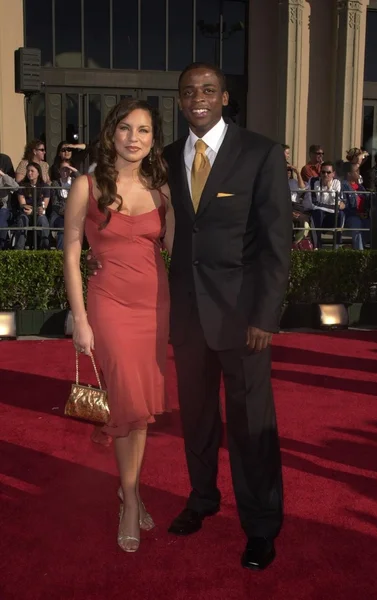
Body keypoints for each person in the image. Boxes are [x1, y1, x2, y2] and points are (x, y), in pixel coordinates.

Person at [88, 63, 291, 569]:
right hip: (187, 317)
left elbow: (275, 244)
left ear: (224, 98)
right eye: (187, 92)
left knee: (251, 426)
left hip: (244, 319)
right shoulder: (168, 158)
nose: (197, 98)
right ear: (180, 101)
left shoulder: (260, 153)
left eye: (207, 90)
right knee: (197, 420)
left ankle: (261, 525)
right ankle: (202, 500)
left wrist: (265, 315)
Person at [63, 98, 175, 554]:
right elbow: (71, 253)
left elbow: (175, 244)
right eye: (126, 129)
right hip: (108, 304)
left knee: (139, 408)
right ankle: (129, 499)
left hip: (154, 306)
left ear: (153, 140)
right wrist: (81, 320)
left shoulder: (162, 188)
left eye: (144, 131)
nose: (134, 138)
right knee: (127, 397)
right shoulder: (87, 186)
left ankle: (129, 489)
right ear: (112, 134)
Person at [15, 162, 50, 250]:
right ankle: (18, 251)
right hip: (26, 213)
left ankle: (45, 250)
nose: (29, 173)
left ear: (38, 173)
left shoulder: (45, 187)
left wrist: (34, 211)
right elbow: (23, 205)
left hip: (39, 214)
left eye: (32, 171)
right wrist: (34, 210)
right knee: (23, 220)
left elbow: (44, 206)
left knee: (43, 219)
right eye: (28, 171)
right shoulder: (22, 186)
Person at [50, 160, 80, 250]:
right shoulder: (55, 183)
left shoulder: (75, 181)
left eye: (67, 169)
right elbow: (54, 202)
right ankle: (60, 253)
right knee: (63, 226)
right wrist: (64, 210)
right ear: (59, 171)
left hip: (74, 213)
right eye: (62, 169)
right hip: (59, 214)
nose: (65, 172)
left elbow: (83, 180)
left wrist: (74, 170)